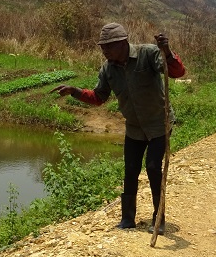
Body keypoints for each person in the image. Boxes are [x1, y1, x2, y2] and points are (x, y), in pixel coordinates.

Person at [53, 22, 186, 234]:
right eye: (102, 47)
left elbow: (177, 72)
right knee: (130, 170)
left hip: (158, 123)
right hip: (134, 127)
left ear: (123, 43)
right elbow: (98, 97)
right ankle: (127, 219)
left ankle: (158, 218)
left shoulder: (148, 53)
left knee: (153, 167)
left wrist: (167, 51)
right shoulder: (108, 69)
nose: (104, 51)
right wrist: (74, 91)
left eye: (108, 46)